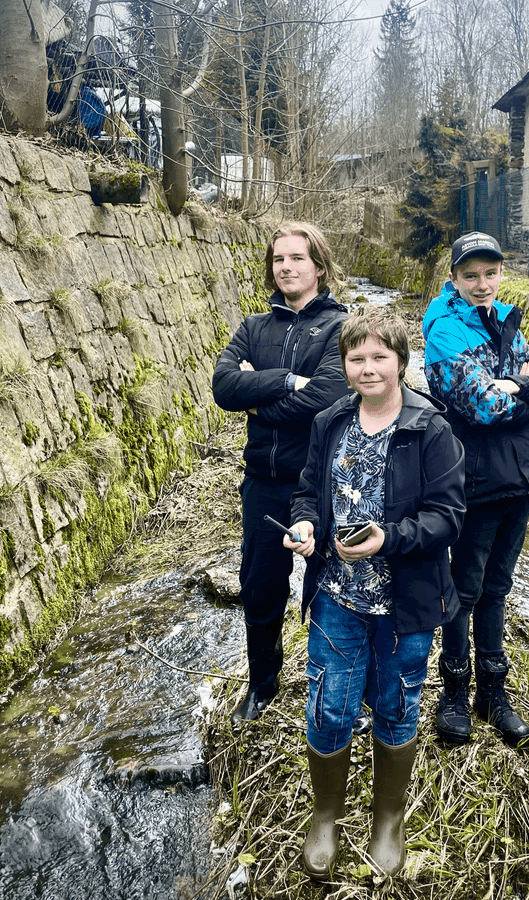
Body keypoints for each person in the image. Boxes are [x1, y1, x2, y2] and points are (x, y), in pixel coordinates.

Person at [284, 308, 465, 880]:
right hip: (337, 595)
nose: (368, 368)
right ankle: (326, 816)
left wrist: (389, 539)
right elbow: (309, 490)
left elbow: (447, 518)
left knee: (396, 705)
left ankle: (388, 819)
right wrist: (307, 525)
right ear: (345, 365)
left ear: (401, 362)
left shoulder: (430, 429)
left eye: (379, 357)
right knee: (329, 706)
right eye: (356, 358)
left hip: (405, 606)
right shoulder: (331, 421)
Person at [422, 231, 529, 749]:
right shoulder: (443, 329)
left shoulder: (504, 319)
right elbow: (481, 405)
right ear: (455, 279)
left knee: (498, 587)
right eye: (471, 275)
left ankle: (493, 693)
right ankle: (455, 692)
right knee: (464, 589)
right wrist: (519, 387)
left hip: (517, 478)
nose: (483, 284)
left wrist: (518, 385)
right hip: (472, 477)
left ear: (501, 273)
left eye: (491, 273)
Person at [211, 222, 350, 722]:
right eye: (278, 259)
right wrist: (289, 380)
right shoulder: (254, 327)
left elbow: (329, 400)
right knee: (260, 586)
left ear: (319, 265)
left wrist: (260, 398)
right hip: (263, 485)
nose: (286, 267)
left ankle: (327, 685)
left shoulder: (340, 328)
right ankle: (262, 684)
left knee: (325, 586)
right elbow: (224, 386)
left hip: (318, 485)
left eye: (297, 258)